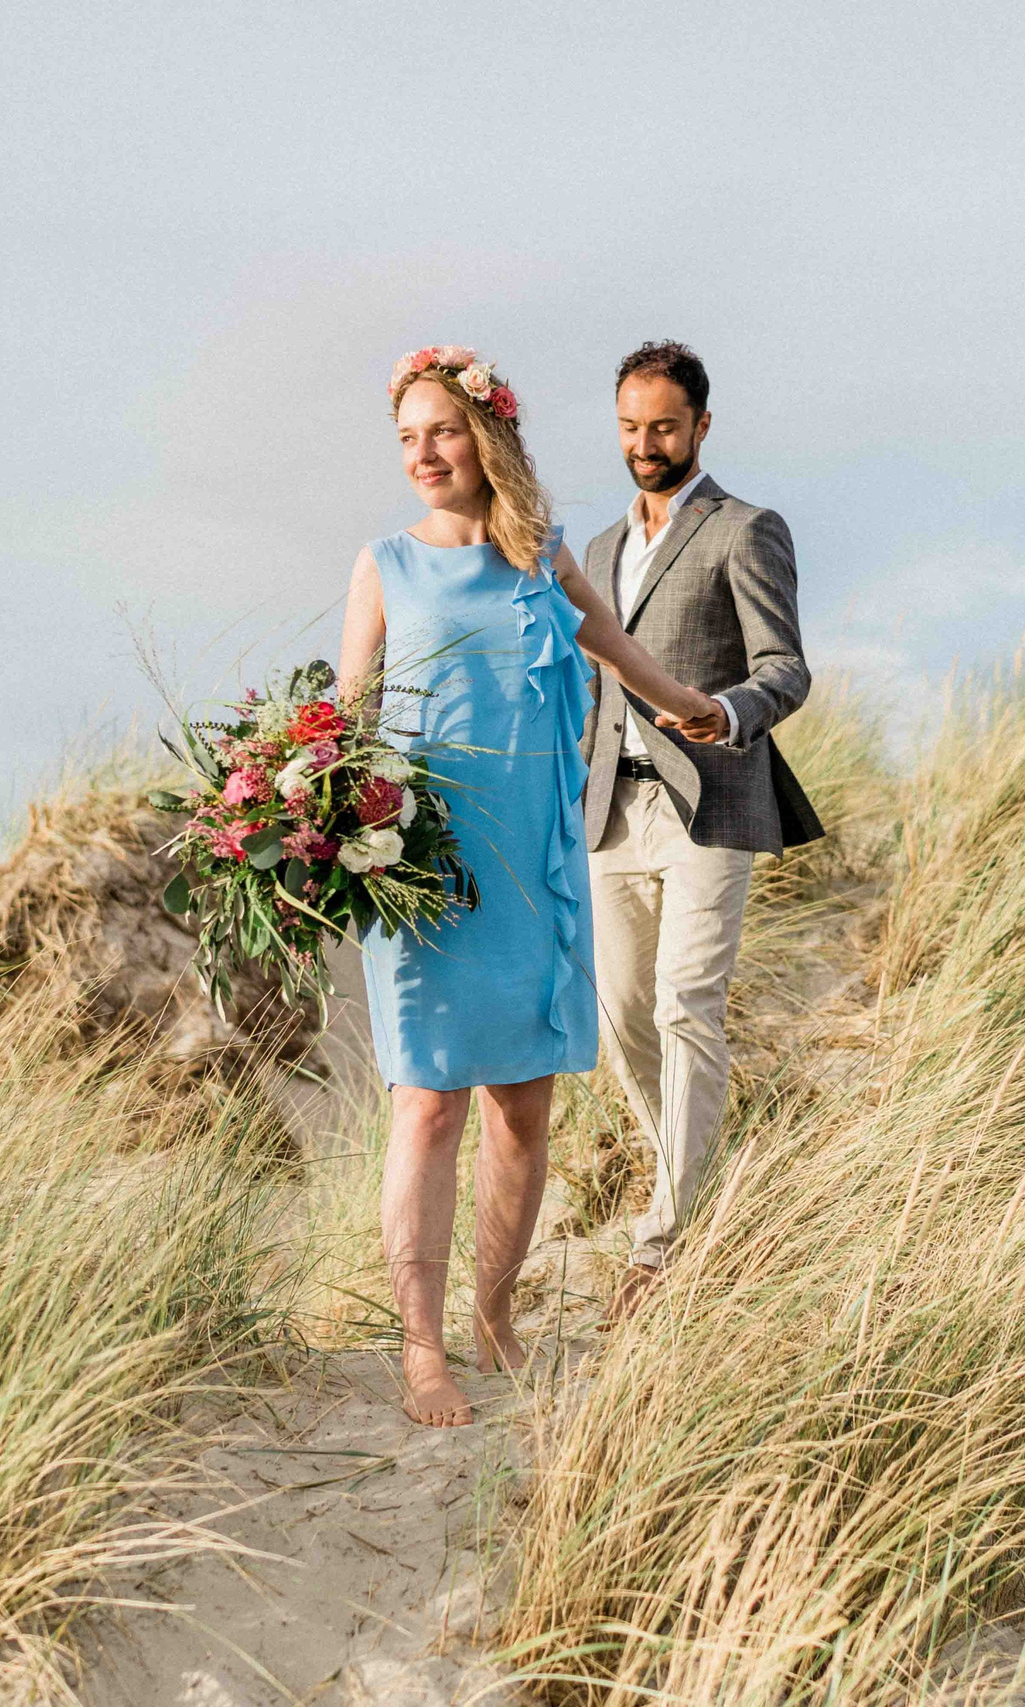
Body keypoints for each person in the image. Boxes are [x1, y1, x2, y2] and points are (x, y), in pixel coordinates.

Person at [337, 345, 723, 1428]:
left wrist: (690, 703)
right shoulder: (383, 566)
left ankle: (494, 1315)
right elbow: (343, 721)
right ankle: (422, 1352)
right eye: (407, 438)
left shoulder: (539, 554)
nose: (424, 454)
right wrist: (311, 826)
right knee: (426, 1107)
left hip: (534, 859)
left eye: (441, 430)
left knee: (522, 1107)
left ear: (486, 435)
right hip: (425, 868)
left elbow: (616, 653)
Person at [580, 341, 823, 1322]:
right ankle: (700, 1173)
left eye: (665, 428)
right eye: (633, 428)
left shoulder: (745, 529)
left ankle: (668, 1239)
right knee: (621, 1018)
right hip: (610, 811)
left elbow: (785, 669)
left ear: (703, 427)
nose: (647, 445)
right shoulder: (594, 552)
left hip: (711, 799)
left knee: (686, 1004)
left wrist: (723, 713)